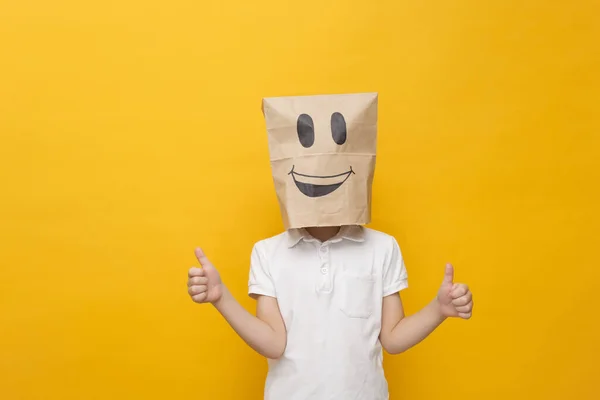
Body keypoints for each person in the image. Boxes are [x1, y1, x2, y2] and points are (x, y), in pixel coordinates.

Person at [186, 93, 473, 400]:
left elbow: (392, 338)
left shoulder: (382, 248)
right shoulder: (268, 253)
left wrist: (438, 310)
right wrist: (221, 298)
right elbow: (274, 343)